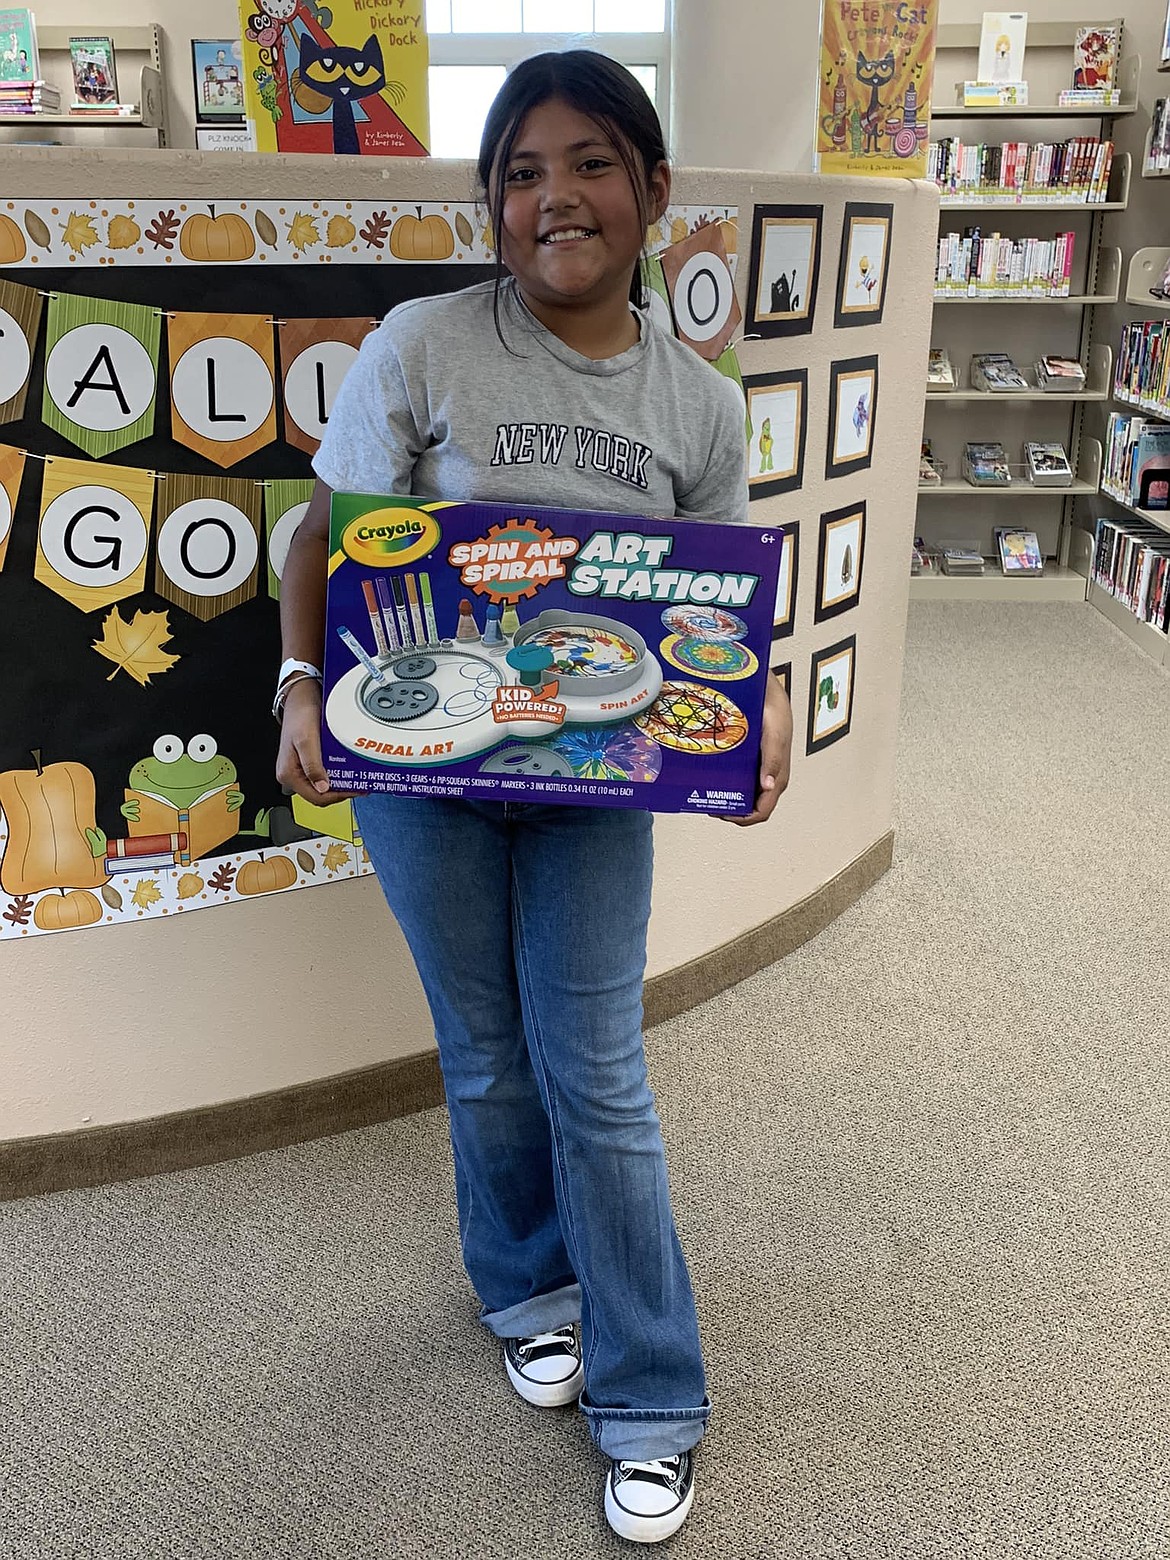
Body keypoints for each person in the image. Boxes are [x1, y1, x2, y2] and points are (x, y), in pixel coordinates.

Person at [275, 49, 792, 1546]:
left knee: (598, 1074)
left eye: (588, 163)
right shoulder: (424, 345)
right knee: (487, 1057)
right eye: (519, 172)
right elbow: (326, 537)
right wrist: (301, 687)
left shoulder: (698, 407)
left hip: (592, 783)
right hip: (423, 776)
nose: (552, 197)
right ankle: (524, 1285)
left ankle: (653, 1391)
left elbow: (717, 609)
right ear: (491, 201)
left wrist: (755, 707)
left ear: (652, 189)